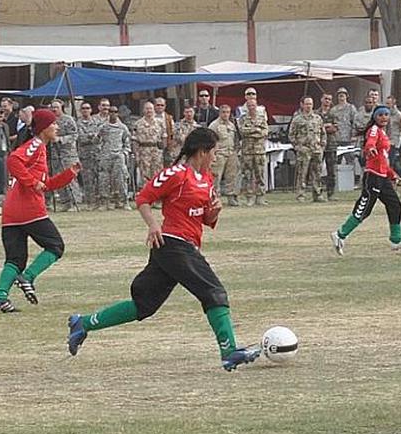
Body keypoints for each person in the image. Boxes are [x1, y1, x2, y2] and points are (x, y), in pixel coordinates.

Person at [65, 127, 261, 371]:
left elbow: (204, 218)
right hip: (173, 244)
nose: (215, 156)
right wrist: (153, 225)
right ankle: (229, 350)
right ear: (202, 152)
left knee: (144, 305)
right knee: (214, 291)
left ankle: (82, 323)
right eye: (213, 152)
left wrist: (214, 211)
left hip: (178, 247)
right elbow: (143, 199)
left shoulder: (207, 179)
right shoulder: (176, 174)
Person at [0, 109, 80, 313]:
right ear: (44, 128)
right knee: (56, 246)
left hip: (11, 212)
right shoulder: (36, 144)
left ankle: (0, 297)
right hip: (28, 209)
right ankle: (27, 277)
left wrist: (69, 175)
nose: (57, 127)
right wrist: (31, 183)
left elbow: (45, 184)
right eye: (54, 124)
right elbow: (13, 160)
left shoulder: (41, 148)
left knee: (15, 259)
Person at [330, 106, 401, 256]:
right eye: (381, 115)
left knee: (395, 205)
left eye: (386, 115)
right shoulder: (374, 129)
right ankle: (340, 235)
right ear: (375, 117)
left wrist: (391, 173)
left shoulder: (383, 132)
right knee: (364, 209)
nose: (384, 117)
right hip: (373, 177)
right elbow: (371, 142)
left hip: (382, 176)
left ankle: (396, 240)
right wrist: (370, 148)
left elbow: (383, 158)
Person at [289, 96, 327, 202]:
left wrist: (322, 146)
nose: (309, 106)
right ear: (302, 105)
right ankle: (301, 195)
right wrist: (298, 147)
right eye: (306, 104)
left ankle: (318, 194)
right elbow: (291, 135)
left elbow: (323, 133)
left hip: (316, 150)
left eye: (310, 104)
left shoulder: (317, 118)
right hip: (304, 150)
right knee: (302, 174)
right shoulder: (297, 119)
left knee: (317, 173)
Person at [96, 107, 131, 210]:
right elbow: (96, 140)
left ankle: (123, 201)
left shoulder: (122, 127)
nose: (113, 114)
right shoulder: (103, 127)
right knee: (104, 179)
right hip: (105, 156)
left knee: (121, 179)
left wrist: (123, 153)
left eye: (115, 112)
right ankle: (104, 202)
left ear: (118, 114)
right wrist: (100, 152)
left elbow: (127, 143)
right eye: (111, 112)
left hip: (118, 157)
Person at [50, 99, 82, 209]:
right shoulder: (51, 121)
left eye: (56, 107)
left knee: (70, 178)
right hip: (55, 155)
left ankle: (74, 202)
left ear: (61, 108)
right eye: (52, 107)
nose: (54, 109)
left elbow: (74, 135)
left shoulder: (68, 120)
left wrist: (60, 139)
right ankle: (65, 202)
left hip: (68, 154)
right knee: (58, 178)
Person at [238, 98, 269, 206]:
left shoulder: (262, 118)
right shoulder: (243, 118)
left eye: (253, 105)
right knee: (247, 175)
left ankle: (260, 196)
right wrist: (256, 130)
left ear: (256, 106)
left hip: (259, 151)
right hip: (247, 151)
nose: (251, 107)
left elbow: (265, 132)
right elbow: (242, 131)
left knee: (260, 174)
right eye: (249, 106)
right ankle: (249, 197)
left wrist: (254, 131)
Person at [208, 105, 240, 207]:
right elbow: (210, 141)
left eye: (228, 112)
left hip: (231, 153)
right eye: (224, 112)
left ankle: (231, 197)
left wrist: (236, 151)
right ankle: (214, 197)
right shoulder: (214, 125)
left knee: (231, 176)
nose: (226, 114)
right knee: (216, 176)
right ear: (220, 113)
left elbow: (235, 139)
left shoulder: (232, 125)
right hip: (219, 153)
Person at [76, 102, 102, 209]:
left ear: (91, 110)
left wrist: (91, 137)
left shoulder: (97, 122)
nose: (85, 110)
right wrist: (91, 137)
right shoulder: (77, 123)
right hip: (85, 156)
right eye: (83, 108)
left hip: (97, 154)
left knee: (98, 178)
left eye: (87, 108)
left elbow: (99, 137)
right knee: (87, 180)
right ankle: (90, 202)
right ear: (80, 110)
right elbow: (80, 138)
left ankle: (99, 201)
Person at [132, 101, 164, 182]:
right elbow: (135, 141)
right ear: (143, 110)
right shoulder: (138, 124)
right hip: (144, 151)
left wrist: (162, 149)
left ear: (154, 110)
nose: (149, 111)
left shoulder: (160, 123)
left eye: (150, 109)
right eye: (147, 109)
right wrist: (136, 155)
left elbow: (164, 137)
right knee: (145, 176)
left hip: (156, 152)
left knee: (158, 175)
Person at [318, 93, 338, 200]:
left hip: (331, 145)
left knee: (331, 171)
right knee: (317, 170)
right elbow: (316, 128)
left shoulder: (333, 114)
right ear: (321, 99)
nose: (327, 101)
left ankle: (331, 193)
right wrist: (326, 127)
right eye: (325, 99)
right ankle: (318, 193)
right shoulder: (316, 113)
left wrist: (324, 128)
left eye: (329, 99)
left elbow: (335, 128)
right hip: (319, 145)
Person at [385, 96, 401, 181]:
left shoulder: (399, 115)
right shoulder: (386, 114)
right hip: (386, 140)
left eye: (388, 103)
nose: (387, 105)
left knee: (393, 162)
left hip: (395, 141)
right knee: (391, 162)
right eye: (386, 103)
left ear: (393, 103)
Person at [152, 97, 175, 166]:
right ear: (154, 106)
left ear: (165, 106)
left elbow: (173, 133)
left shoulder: (169, 118)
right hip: (153, 148)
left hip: (166, 148)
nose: (160, 107)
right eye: (158, 105)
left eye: (162, 105)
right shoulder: (149, 117)